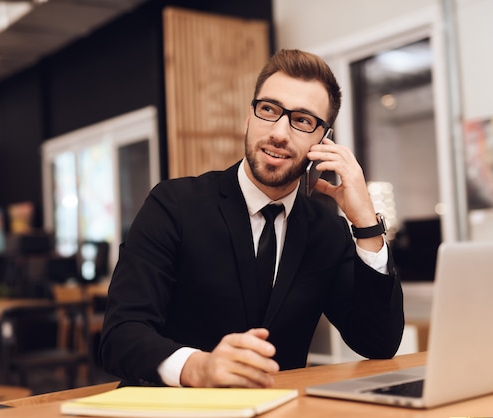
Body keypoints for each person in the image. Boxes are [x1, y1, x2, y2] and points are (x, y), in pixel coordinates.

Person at [99, 49, 404, 388]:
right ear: (249, 117)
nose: (279, 132)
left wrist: (366, 224)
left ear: (323, 140)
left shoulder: (326, 230)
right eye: (269, 110)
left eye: (302, 120)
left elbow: (378, 343)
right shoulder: (174, 205)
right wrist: (198, 367)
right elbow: (119, 335)